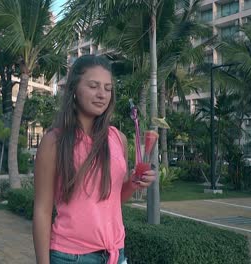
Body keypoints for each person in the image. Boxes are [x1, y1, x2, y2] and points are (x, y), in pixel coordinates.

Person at [32, 55, 156, 264]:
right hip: (70, 256)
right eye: (93, 86)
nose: (102, 95)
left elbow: (112, 199)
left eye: (108, 88)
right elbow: (42, 210)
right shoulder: (54, 141)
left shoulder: (118, 139)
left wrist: (133, 184)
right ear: (74, 89)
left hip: (116, 254)